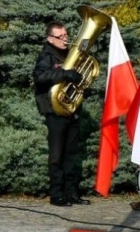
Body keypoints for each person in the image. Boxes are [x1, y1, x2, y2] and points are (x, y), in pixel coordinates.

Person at [33, 20, 88, 207]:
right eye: (60, 37)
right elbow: (39, 78)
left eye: (66, 35)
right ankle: (56, 195)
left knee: (71, 154)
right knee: (57, 155)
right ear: (50, 39)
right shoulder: (46, 56)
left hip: (72, 109)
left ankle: (71, 193)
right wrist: (64, 73)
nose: (65, 39)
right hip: (55, 111)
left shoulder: (71, 53)